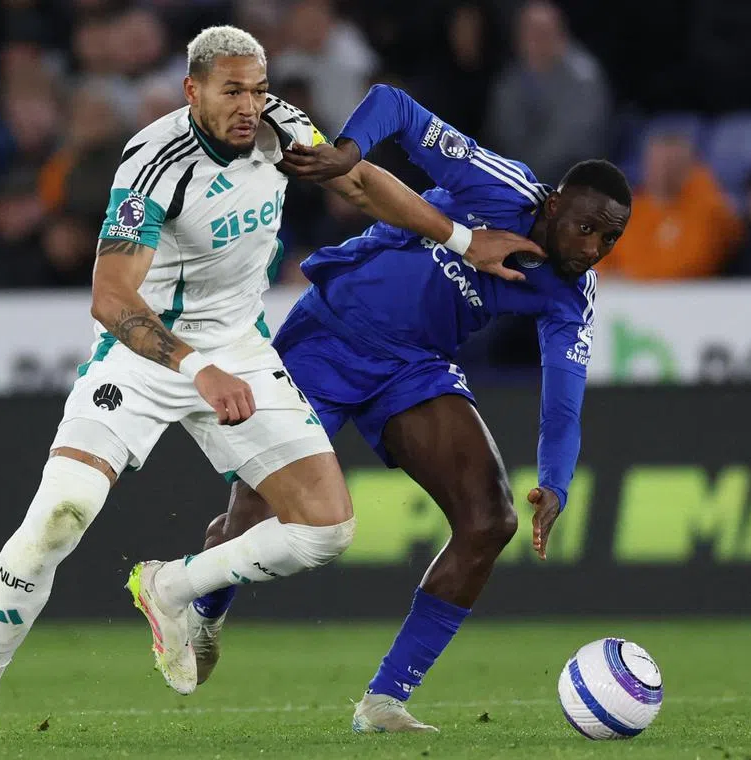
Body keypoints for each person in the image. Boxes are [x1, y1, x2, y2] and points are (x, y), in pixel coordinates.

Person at [0, 27, 536, 743]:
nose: (250, 105)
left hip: (240, 351)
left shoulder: (280, 126)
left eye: (258, 88)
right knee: (59, 514)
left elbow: (359, 183)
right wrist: (196, 366)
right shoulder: (153, 163)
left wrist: (465, 241)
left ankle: (172, 586)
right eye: (232, 91)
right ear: (192, 91)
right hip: (145, 355)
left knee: (328, 528)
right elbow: (110, 296)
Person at [184, 83, 632, 733]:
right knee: (253, 525)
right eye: (585, 227)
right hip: (330, 337)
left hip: (413, 370)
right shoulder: (498, 186)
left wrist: (556, 483)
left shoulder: (571, 295)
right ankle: (204, 609)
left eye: (609, 239)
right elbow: (394, 105)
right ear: (555, 203)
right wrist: (346, 152)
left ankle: (385, 699)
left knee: (490, 520)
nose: (592, 248)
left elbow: (563, 402)